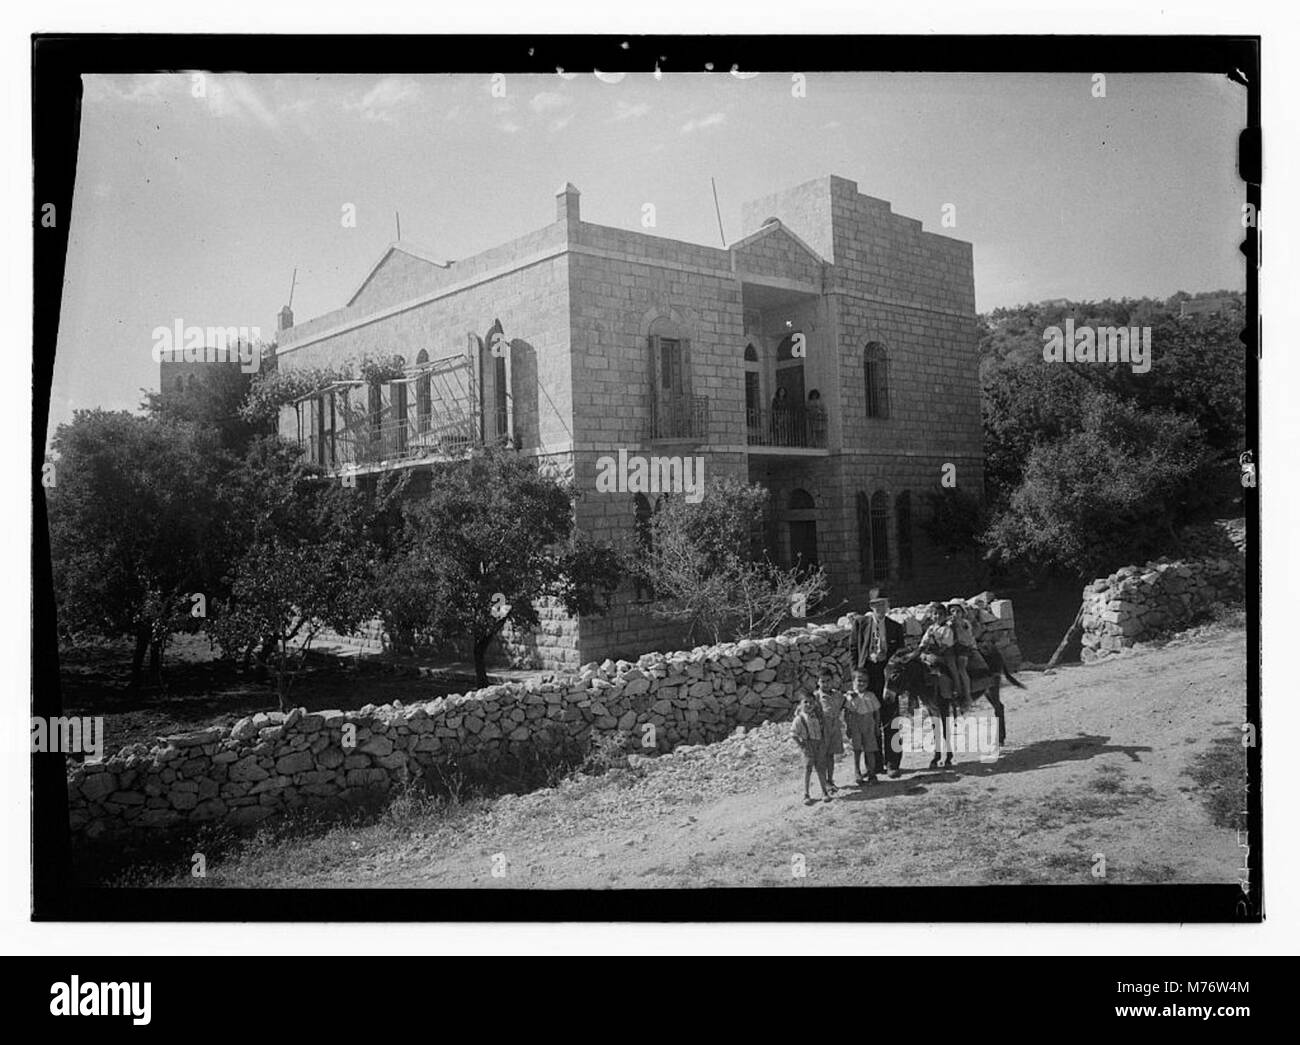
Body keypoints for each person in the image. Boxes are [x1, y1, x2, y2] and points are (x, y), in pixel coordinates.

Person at [851, 596, 906, 777]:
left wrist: (888, 662)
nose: (880, 608)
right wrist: (856, 676)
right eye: (876, 604)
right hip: (868, 679)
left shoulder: (895, 627)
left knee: (892, 721)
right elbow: (853, 650)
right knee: (869, 723)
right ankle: (875, 765)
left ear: (888, 606)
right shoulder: (861, 624)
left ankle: (893, 763)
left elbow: (901, 656)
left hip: (888, 679)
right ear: (871, 606)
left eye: (883, 604)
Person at [791, 690, 832, 804]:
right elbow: (793, 734)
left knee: (821, 768)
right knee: (807, 769)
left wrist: (823, 743)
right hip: (808, 746)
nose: (809, 705)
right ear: (800, 704)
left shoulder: (817, 717)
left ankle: (824, 791)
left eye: (811, 703)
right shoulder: (799, 719)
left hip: (819, 745)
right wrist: (802, 746)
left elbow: (822, 730)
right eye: (806, 702)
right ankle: (806, 793)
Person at [845, 669, 882, 784]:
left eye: (865, 681)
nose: (861, 684)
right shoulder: (850, 696)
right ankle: (857, 772)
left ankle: (872, 773)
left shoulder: (870, 696)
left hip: (869, 725)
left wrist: (877, 726)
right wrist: (848, 727)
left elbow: (876, 712)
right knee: (857, 750)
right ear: (853, 681)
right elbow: (847, 713)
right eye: (859, 680)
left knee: (870, 750)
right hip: (856, 725)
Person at [919, 602, 959, 702]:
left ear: (945, 616)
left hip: (946, 654)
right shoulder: (931, 629)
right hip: (932, 653)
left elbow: (944, 647)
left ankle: (957, 688)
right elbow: (923, 643)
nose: (938, 616)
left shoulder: (947, 629)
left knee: (952, 667)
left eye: (941, 614)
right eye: (935, 614)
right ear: (931, 615)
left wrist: (933, 648)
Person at [816, 666, 846, 792]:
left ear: (833, 681)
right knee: (822, 757)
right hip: (822, 730)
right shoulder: (816, 697)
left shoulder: (837, 695)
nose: (825, 684)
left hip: (834, 729)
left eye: (828, 681)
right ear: (818, 682)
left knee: (831, 756)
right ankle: (824, 784)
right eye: (822, 681)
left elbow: (845, 705)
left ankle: (830, 780)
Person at [948, 600, 975, 707]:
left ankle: (967, 695)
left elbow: (967, 639)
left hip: (963, 648)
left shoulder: (965, 624)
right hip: (952, 648)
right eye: (952, 611)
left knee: (961, 668)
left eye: (958, 611)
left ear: (962, 612)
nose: (955, 614)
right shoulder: (949, 623)